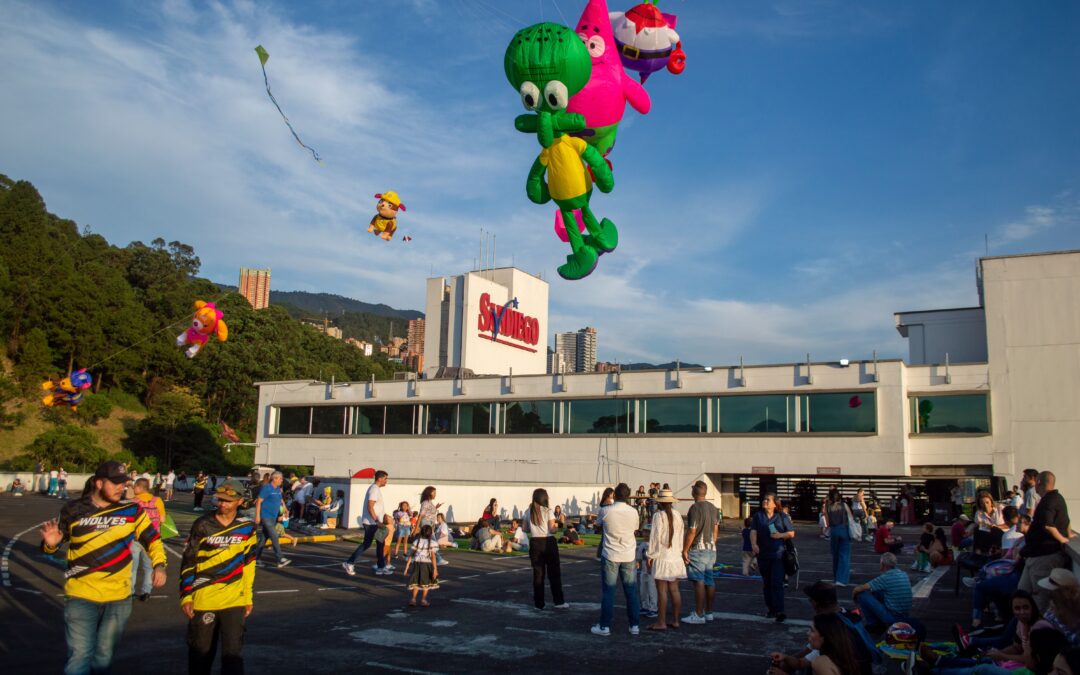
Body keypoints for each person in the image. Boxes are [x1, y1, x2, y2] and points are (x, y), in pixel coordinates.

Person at [40, 461, 166, 675]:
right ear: (98, 483)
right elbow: (52, 547)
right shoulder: (73, 510)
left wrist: (159, 565)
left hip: (119, 597)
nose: (121, 488)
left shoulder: (132, 510)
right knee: (80, 656)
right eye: (115, 483)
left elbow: (152, 539)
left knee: (104, 657)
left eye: (124, 484)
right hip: (81, 595)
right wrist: (50, 546)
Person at [180, 479, 256, 675]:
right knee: (200, 655)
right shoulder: (202, 524)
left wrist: (247, 597)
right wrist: (186, 596)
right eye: (219, 499)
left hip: (234, 600)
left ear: (239, 501)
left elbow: (249, 565)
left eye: (228, 501)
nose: (222, 504)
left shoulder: (247, 527)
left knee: (233, 656)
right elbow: (189, 561)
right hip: (204, 598)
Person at [770, 581, 876, 674]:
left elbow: (805, 658)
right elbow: (804, 658)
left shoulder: (828, 628)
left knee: (812, 666)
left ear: (815, 603)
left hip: (850, 668)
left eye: (811, 630)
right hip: (862, 667)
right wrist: (786, 658)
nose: (808, 633)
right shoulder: (845, 616)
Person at [591, 483, 641, 637]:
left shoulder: (606, 510)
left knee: (609, 592)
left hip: (610, 554)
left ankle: (605, 625)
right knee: (631, 591)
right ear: (628, 495)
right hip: (628, 554)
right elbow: (635, 529)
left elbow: (597, 525)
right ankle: (634, 625)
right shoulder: (633, 512)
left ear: (615, 495)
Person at [1020, 471, 1073, 612]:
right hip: (1035, 556)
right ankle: (1024, 629)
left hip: (1044, 556)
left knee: (1039, 597)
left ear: (1039, 483)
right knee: (1022, 594)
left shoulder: (1049, 500)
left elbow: (1048, 525)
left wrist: (1063, 540)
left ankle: (1036, 629)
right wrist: (1068, 535)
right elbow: (1066, 521)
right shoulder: (1057, 498)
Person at [923, 626, 1068, 675]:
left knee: (984, 668)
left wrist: (1001, 655)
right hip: (1008, 662)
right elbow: (1015, 647)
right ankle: (940, 661)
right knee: (983, 660)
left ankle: (936, 669)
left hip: (1005, 665)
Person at [953, 590, 1041, 661]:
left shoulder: (1039, 627)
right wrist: (998, 653)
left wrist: (1003, 656)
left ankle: (969, 641)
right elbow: (1016, 648)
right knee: (984, 660)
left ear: (1032, 607)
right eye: (1017, 608)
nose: (1022, 612)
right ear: (1012, 610)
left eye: (1026, 607)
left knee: (982, 668)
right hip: (1024, 663)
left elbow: (1030, 660)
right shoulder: (1020, 623)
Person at [646, 488, 687, 631]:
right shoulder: (678, 515)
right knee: (674, 590)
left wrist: (650, 555)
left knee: (662, 591)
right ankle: (676, 620)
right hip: (675, 557)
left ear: (660, 503)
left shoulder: (658, 516)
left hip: (662, 556)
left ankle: (661, 622)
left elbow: (654, 538)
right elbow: (682, 536)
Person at [751, 493, 795, 623]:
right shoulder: (758, 516)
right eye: (764, 499)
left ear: (775, 503)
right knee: (767, 583)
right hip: (763, 555)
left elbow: (791, 533)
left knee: (777, 583)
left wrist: (780, 535)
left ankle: (780, 610)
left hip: (778, 554)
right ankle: (771, 609)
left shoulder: (782, 516)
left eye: (768, 500)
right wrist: (754, 544)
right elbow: (753, 531)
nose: (765, 501)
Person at [682, 480, 720, 624]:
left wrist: (685, 549)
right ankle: (708, 612)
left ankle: (698, 614)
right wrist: (713, 544)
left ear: (694, 492)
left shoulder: (694, 508)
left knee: (698, 580)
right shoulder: (713, 508)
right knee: (709, 580)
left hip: (698, 548)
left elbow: (692, 531)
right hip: (711, 548)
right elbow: (716, 530)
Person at [343, 470, 390, 576]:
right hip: (372, 523)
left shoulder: (376, 489)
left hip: (375, 522)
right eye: (385, 478)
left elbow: (376, 507)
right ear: (380, 478)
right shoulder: (374, 490)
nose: (386, 481)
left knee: (380, 544)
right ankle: (349, 562)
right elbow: (370, 506)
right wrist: (377, 521)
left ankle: (381, 567)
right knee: (367, 543)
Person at [528, 488, 567, 610]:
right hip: (548, 542)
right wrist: (557, 525)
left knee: (538, 574)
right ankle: (558, 601)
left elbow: (524, 528)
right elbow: (552, 529)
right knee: (554, 573)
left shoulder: (528, 511)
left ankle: (538, 604)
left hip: (535, 542)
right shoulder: (548, 511)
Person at [852, 552, 913, 632]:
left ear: (883, 564)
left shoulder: (885, 578)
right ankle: (878, 621)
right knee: (877, 591)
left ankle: (873, 625)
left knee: (862, 595)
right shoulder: (903, 574)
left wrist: (853, 596)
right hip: (905, 615)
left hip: (893, 617)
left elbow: (859, 589)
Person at [131, 477, 167, 601]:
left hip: (135, 539)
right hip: (152, 539)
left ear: (140, 487)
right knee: (149, 568)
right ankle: (146, 591)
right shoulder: (157, 500)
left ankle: (130, 591)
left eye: (135, 486)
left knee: (132, 568)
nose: (133, 488)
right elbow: (162, 519)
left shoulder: (133, 501)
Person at [253, 471, 291, 569]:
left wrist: (285, 509)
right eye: (280, 479)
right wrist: (257, 516)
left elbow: (280, 500)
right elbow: (259, 502)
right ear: (274, 479)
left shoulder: (278, 489)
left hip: (273, 517)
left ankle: (256, 559)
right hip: (266, 516)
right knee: (274, 535)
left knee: (263, 539)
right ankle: (280, 559)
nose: (282, 480)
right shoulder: (267, 488)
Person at [403, 524, 439, 607]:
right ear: (430, 533)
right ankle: (423, 600)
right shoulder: (432, 543)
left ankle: (413, 599)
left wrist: (407, 567)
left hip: (417, 564)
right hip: (426, 565)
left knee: (416, 582)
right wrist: (435, 569)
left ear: (421, 533)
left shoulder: (416, 541)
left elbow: (411, 555)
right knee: (425, 583)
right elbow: (433, 557)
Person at [824, 488, 853, 586]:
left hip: (834, 530)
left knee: (835, 555)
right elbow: (850, 517)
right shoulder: (844, 505)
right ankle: (842, 580)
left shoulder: (827, 507)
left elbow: (827, 523)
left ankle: (836, 577)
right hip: (844, 529)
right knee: (844, 555)